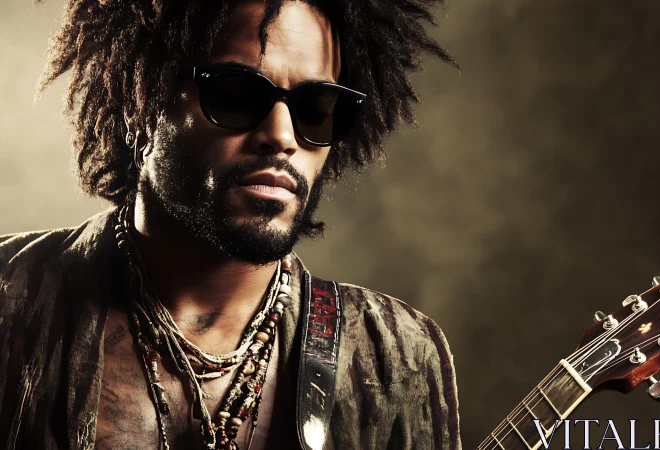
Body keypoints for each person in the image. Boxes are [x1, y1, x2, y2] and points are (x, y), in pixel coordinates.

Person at [0, 0, 460, 448]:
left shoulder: (399, 358)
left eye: (316, 106)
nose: (281, 136)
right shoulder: (10, 301)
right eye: (239, 94)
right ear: (141, 105)